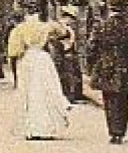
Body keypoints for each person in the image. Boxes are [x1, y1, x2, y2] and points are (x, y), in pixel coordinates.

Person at [87, 2, 128, 144]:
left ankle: (113, 131)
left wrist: (92, 66)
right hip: (125, 69)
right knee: (123, 101)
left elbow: (91, 48)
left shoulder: (101, 27)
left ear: (111, 10)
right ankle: (120, 132)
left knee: (109, 100)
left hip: (105, 68)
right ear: (124, 10)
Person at [6, 11, 70, 139]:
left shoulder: (20, 29)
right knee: (46, 90)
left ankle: (32, 128)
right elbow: (64, 33)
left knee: (29, 93)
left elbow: (14, 51)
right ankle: (48, 127)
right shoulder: (46, 26)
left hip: (28, 59)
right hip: (42, 59)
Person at [50, 8, 84, 103]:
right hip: (63, 54)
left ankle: (72, 96)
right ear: (66, 17)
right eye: (71, 18)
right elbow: (54, 40)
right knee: (65, 76)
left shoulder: (67, 27)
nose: (72, 20)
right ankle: (66, 96)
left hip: (69, 53)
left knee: (71, 76)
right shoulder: (58, 26)